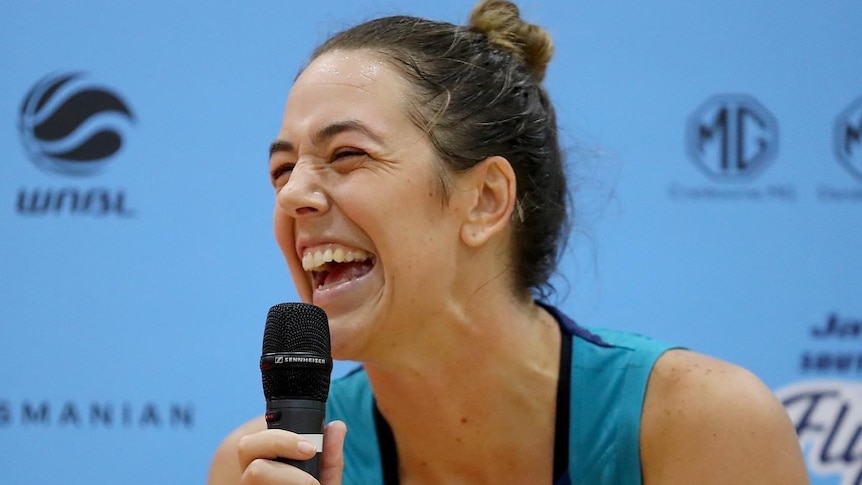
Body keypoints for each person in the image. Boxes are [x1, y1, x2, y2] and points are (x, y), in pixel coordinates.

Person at [208, 1, 809, 483]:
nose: (291, 197)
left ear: (486, 199)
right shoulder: (260, 467)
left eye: (347, 155)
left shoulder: (703, 425)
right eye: (282, 170)